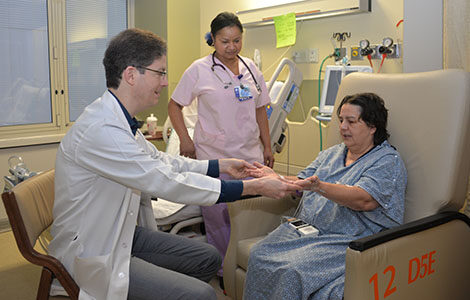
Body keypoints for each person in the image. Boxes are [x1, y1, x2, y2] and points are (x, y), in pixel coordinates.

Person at [48, 28, 308, 300]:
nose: (165, 81)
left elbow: (162, 161)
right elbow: (164, 180)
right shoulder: (102, 130)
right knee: (202, 295)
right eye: (160, 72)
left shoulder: (122, 121)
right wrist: (251, 187)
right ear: (131, 74)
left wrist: (221, 166)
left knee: (207, 258)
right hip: (93, 249)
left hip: (119, 233)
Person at [243, 93, 408, 300]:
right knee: (259, 255)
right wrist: (274, 177)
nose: (343, 127)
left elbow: (363, 199)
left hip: (346, 240)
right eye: (340, 120)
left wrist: (320, 187)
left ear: (372, 126)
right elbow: (303, 180)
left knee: (292, 271)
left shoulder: (386, 161)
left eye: (351, 121)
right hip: (308, 229)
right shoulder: (333, 153)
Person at [168, 11, 273, 279]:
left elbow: (261, 109)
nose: (232, 47)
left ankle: (247, 271)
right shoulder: (199, 70)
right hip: (215, 157)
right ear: (213, 40)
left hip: (251, 156)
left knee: (249, 218)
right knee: (218, 220)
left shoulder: (251, 68)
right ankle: (224, 272)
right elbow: (174, 105)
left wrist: (268, 147)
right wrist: (185, 140)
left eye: (237, 40)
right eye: (225, 41)